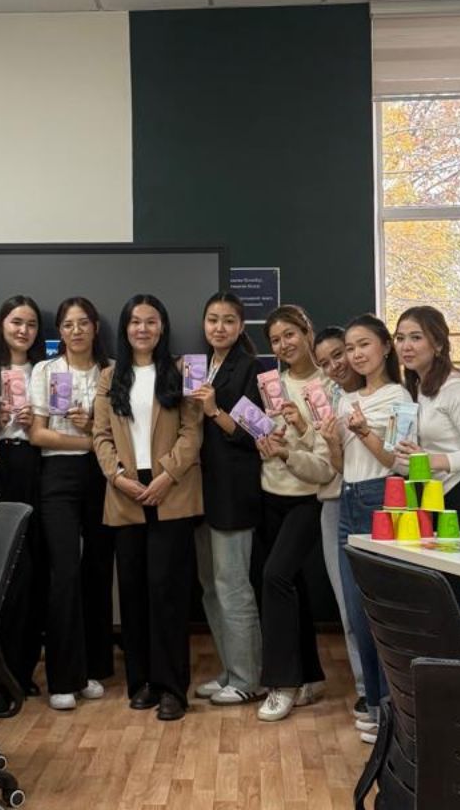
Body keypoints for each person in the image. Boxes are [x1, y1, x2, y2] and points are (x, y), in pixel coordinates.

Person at [92, 294, 202, 722]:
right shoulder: (109, 376)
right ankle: (142, 682)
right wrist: (117, 476)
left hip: (170, 489)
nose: (142, 328)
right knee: (134, 591)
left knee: (168, 592)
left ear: (162, 327)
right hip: (126, 490)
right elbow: (100, 435)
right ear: (125, 328)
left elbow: (192, 432)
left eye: (151, 321)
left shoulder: (181, 371)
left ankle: (173, 688)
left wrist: (167, 475)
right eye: (135, 321)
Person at [326, 313, 411, 744]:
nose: (356, 354)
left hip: (382, 498)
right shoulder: (345, 400)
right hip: (349, 497)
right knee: (357, 613)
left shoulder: (399, 396)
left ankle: (395, 714)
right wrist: (331, 439)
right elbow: (342, 465)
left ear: (385, 347)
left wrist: (364, 432)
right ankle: (376, 707)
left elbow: (398, 461)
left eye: (364, 345)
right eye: (350, 348)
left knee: (383, 611)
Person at [28, 297, 114, 711]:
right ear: (59, 331)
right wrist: (91, 440)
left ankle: (93, 668)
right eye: (68, 325)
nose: (76, 331)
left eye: (83, 323)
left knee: (98, 569)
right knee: (65, 570)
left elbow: (121, 432)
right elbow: (38, 435)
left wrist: (95, 429)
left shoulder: (111, 370)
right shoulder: (45, 370)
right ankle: (63, 678)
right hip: (58, 475)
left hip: (103, 476)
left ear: (95, 327)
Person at [252, 305, 336, 722]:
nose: (284, 344)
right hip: (271, 492)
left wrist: (299, 432)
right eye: (275, 339)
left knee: (276, 577)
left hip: (309, 496)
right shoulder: (271, 384)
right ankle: (310, 676)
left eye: (290, 334)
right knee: (291, 584)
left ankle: (281, 683)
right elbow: (266, 438)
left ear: (307, 332)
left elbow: (325, 460)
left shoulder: (328, 385)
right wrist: (264, 442)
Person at [189, 292, 264, 707]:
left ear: (241, 326)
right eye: (213, 319)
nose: (220, 327)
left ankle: (248, 678)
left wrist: (215, 411)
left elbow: (257, 432)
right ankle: (230, 670)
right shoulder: (198, 366)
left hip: (234, 492)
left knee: (232, 585)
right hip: (199, 491)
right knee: (210, 587)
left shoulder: (251, 367)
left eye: (229, 320)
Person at [0, 294, 47, 693]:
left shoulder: (45, 370)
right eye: (16, 322)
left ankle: (23, 668)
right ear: (2, 324)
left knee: (34, 568)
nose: (23, 330)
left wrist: (36, 421)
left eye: (31, 324)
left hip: (34, 465)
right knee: (3, 567)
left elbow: (56, 425)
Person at [392, 306, 460, 529]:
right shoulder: (410, 390)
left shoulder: (456, 386)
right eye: (400, 338)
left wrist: (430, 460)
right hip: (431, 498)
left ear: (438, 344)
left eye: (416, 337)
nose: (406, 346)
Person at [311, 325, 366, 716]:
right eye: (325, 362)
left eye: (339, 354)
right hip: (336, 501)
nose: (335, 366)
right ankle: (365, 687)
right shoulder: (327, 400)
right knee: (347, 605)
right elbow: (334, 464)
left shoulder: (390, 392)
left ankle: (392, 688)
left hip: (380, 502)